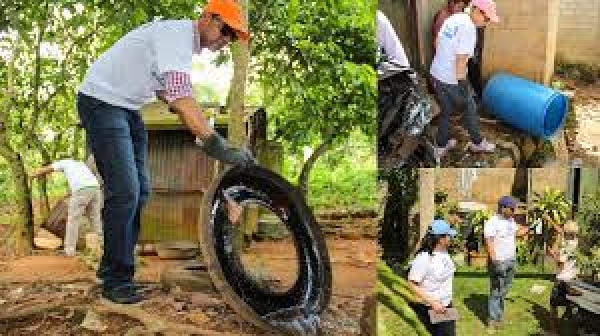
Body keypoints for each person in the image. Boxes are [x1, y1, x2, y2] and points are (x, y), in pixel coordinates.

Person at [77, 0, 255, 304]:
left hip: (128, 107)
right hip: (102, 103)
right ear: (208, 18)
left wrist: (197, 124)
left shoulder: (179, 47)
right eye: (225, 30)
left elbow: (171, 94)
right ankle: (114, 280)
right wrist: (217, 145)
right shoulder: (177, 37)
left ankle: (122, 274)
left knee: (141, 191)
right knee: (125, 192)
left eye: (232, 38)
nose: (226, 41)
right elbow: (182, 98)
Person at [429, 0, 499, 160]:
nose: (487, 23)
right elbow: (461, 61)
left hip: (437, 73)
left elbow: (437, 42)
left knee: (446, 109)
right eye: (487, 18)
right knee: (470, 107)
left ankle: (440, 145)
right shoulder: (469, 28)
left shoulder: (454, 18)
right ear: (477, 10)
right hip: (451, 77)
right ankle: (477, 143)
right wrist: (463, 86)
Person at [30, 158, 102, 257]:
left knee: (73, 220)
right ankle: (103, 246)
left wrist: (33, 174)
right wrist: (68, 194)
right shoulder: (80, 164)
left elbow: (47, 169)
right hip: (95, 189)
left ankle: (69, 250)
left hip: (82, 190)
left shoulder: (64, 162)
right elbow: (81, 181)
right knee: (95, 219)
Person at [483, 196, 528, 331]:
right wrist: (495, 261)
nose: (514, 211)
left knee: (504, 290)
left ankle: (499, 316)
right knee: (496, 290)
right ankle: (492, 320)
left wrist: (526, 230)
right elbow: (489, 242)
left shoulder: (510, 220)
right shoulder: (492, 222)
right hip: (499, 261)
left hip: (511, 260)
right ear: (503, 208)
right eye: (512, 208)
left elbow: (515, 234)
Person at [408, 219, 458, 336]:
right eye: (448, 236)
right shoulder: (424, 258)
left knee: (450, 333)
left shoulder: (444, 252)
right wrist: (433, 302)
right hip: (432, 306)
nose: (451, 238)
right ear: (440, 239)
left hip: (446, 303)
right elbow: (411, 283)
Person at [547, 220, 579, 335]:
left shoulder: (565, 248)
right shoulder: (577, 243)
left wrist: (553, 255)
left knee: (553, 305)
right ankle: (574, 331)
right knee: (571, 306)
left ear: (566, 232)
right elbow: (560, 231)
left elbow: (560, 266)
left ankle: (554, 332)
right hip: (574, 279)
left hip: (562, 279)